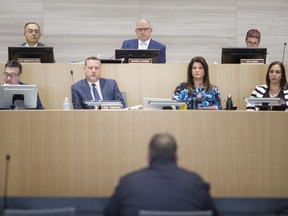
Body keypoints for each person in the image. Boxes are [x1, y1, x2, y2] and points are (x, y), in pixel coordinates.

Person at [104, 133, 219, 216]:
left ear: (148, 158)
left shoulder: (128, 183)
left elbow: (109, 213)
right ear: (176, 158)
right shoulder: (196, 183)